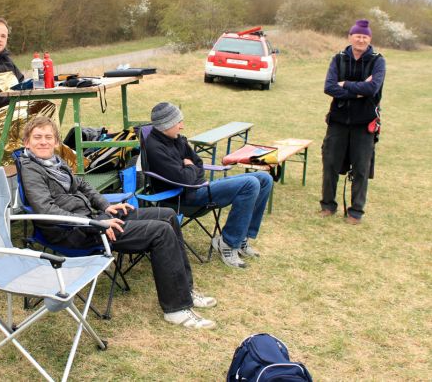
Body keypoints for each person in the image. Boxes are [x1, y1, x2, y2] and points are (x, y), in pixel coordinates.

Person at [19, 116, 217, 329]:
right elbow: (46, 209)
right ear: (27, 143)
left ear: (56, 142)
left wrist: (106, 206)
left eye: (48, 137)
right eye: (37, 137)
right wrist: (94, 224)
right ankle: (176, 309)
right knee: (160, 231)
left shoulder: (55, 163)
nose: (43, 142)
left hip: (94, 219)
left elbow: (83, 185)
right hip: (74, 232)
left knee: (167, 215)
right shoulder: (31, 169)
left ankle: (185, 289)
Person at [144, 103, 272, 270]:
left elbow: (198, 163)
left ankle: (242, 238)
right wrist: (191, 168)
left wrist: (190, 168)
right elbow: (185, 178)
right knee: (250, 183)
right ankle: (228, 243)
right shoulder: (155, 148)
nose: (182, 126)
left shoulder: (177, 139)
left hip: (198, 186)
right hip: (183, 196)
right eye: (178, 122)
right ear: (166, 125)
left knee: (264, 178)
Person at [320, 19, 385, 224]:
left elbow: (372, 88)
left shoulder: (377, 61)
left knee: (361, 168)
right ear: (350, 37)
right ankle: (328, 205)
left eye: (365, 36)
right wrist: (358, 92)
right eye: (358, 36)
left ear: (370, 39)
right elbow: (329, 87)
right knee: (330, 163)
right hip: (338, 120)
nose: (361, 40)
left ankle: (356, 211)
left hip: (364, 123)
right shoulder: (338, 58)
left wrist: (345, 84)